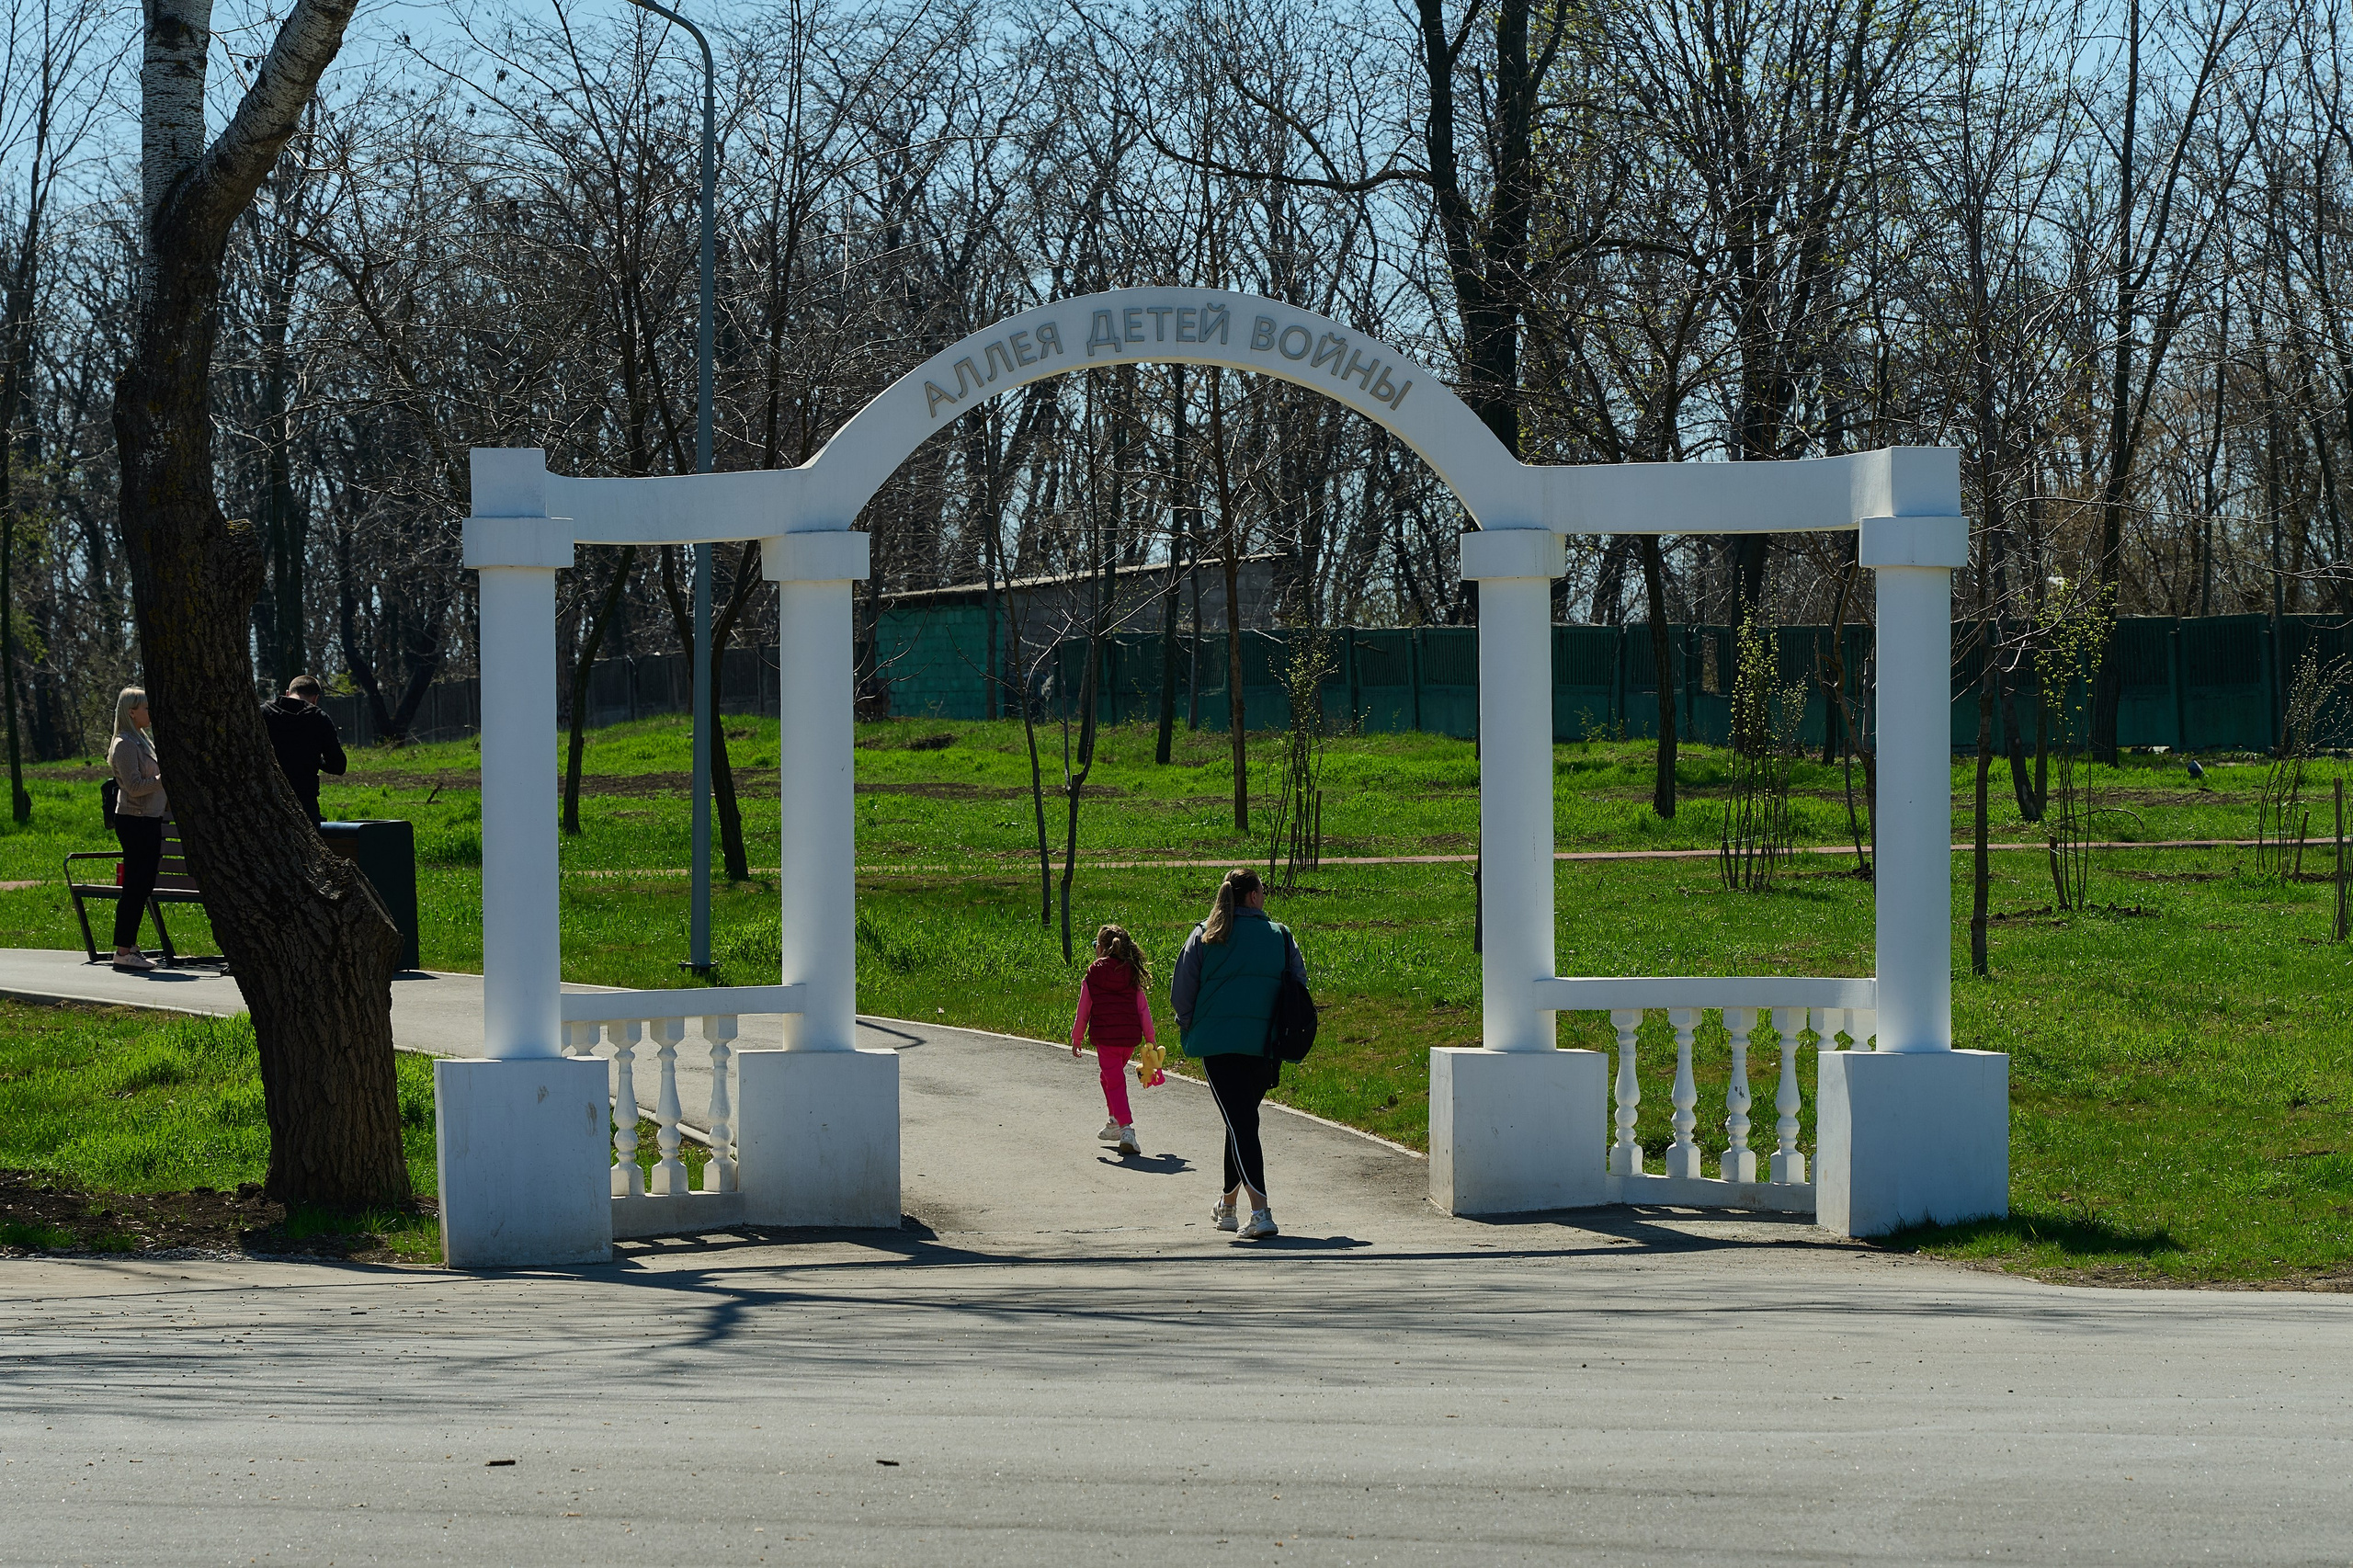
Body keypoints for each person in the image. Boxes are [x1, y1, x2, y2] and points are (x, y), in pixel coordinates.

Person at [1171, 868, 1307, 1242]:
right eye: (1262, 890)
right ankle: (1228, 1206)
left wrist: (1190, 1025)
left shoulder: (1204, 935)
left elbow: (1182, 992)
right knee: (1241, 1121)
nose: (1264, 896)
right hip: (1264, 1046)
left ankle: (1260, 1212)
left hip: (1217, 1045)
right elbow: (1299, 983)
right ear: (1253, 896)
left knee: (1241, 1124)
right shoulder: (1281, 936)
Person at [1068, 924, 1158, 1156]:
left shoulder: (1094, 973)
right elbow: (1143, 1009)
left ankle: (1126, 1129)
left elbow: (1083, 1010)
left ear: (1100, 948)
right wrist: (1150, 1039)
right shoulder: (1131, 973)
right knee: (1107, 1078)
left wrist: (1077, 1037)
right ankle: (1114, 1122)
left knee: (1115, 1081)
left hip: (1106, 1038)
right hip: (1128, 1039)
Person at [107, 687, 167, 973]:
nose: (149, 713)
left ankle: (128, 946)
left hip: (149, 818)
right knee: (135, 885)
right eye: (145, 708)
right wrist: (165, 778)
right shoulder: (125, 744)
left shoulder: (141, 739)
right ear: (131, 712)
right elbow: (133, 786)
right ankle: (123, 950)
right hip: (136, 820)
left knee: (142, 885)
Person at [261, 675, 347, 824]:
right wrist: (315, 759)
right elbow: (338, 766)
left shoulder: (263, 713)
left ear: (288, 693)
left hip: (266, 795)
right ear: (315, 699)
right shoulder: (319, 718)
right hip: (304, 799)